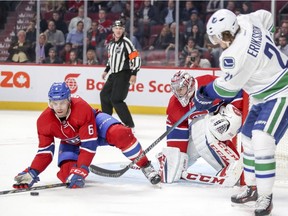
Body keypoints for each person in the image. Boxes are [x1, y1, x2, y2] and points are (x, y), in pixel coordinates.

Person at [192, 9, 288, 216]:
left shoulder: (233, 55)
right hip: (263, 94)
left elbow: (227, 89)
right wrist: (266, 42)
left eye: (219, 36)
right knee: (246, 138)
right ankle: (253, 188)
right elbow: (267, 16)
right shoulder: (246, 21)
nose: (219, 41)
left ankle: (265, 196)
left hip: (282, 92)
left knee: (262, 139)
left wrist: (204, 93)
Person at [13, 82, 161, 190]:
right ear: (50, 103)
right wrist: (33, 171)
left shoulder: (81, 108)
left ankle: (146, 166)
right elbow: (45, 152)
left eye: (62, 103)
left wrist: (82, 168)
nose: (59, 107)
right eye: (55, 103)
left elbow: (88, 145)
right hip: (71, 141)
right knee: (67, 177)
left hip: (96, 124)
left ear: (69, 100)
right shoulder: (44, 122)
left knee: (121, 134)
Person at [157, 70, 243, 186]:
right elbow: (177, 135)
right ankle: (229, 167)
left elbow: (235, 89)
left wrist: (238, 111)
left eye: (180, 89)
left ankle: (232, 164)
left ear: (189, 85)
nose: (178, 94)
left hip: (230, 115)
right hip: (214, 124)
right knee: (180, 161)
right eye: (175, 90)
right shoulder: (175, 104)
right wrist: (175, 158)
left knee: (202, 125)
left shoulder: (207, 83)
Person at [100, 20, 141, 129]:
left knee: (116, 99)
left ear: (123, 30)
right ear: (113, 30)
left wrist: (134, 73)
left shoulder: (126, 42)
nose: (118, 30)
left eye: (120, 29)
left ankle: (129, 124)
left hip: (124, 74)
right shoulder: (111, 44)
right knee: (104, 95)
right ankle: (106, 121)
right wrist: (106, 70)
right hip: (113, 74)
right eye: (116, 28)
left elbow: (135, 57)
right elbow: (111, 59)